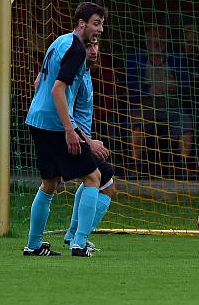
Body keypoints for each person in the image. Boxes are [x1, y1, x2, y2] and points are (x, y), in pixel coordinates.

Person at [23, 2, 107, 257]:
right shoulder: (76, 50)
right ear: (81, 23)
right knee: (94, 177)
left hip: (37, 119)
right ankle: (79, 243)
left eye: (101, 24)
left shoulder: (58, 41)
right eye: (96, 23)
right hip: (56, 125)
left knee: (49, 183)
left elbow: (39, 80)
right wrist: (70, 130)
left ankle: (34, 245)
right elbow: (57, 89)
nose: (100, 30)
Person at [62, 37, 116, 252]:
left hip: (76, 136)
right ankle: (78, 239)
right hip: (71, 137)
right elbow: (64, 109)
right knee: (104, 183)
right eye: (88, 46)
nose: (94, 50)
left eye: (96, 45)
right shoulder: (74, 74)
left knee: (93, 179)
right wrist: (87, 141)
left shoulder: (83, 71)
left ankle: (72, 235)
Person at [126, 25, 194, 162]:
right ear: (146, 41)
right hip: (145, 106)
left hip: (172, 106)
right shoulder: (136, 59)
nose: (157, 44)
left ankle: (184, 166)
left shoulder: (175, 59)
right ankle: (135, 166)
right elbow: (129, 84)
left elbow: (186, 84)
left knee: (186, 125)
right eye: (153, 41)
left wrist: (177, 86)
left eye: (160, 41)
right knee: (136, 126)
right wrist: (148, 89)